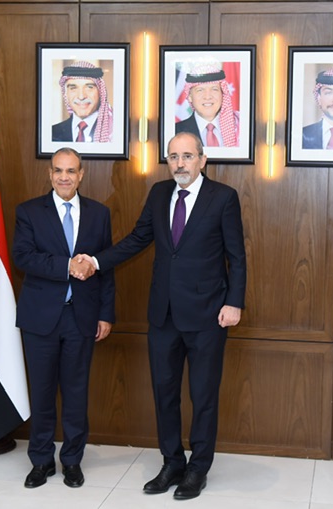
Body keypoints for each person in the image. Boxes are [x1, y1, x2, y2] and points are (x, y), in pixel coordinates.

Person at [74, 132, 246, 500]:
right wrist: (96, 261)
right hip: (163, 314)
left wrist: (234, 303)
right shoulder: (158, 193)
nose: (180, 163)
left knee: (203, 396)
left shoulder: (223, 198)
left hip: (208, 315)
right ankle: (172, 462)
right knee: (164, 393)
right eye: (173, 156)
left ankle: (198, 468)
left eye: (187, 156)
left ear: (202, 159)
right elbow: (137, 239)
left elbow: (237, 256)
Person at [12, 147, 115, 489]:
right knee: (42, 393)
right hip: (40, 318)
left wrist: (106, 314)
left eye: (71, 171)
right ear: (50, 174)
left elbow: (106, 268)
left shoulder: (99, 214)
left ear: (81, 175)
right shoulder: (29, 211)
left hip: (81, 317)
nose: (64, 177)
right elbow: (23, 257)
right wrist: (66, 266)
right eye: (58, 170)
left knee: (75, 394)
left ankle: (72, 460)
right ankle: (41, 461)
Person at [175, 61, 239, 147]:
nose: (208, 97)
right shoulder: (175, 132)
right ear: (189, 96)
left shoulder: (240, 128)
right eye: (200, 90)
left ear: (222, 93)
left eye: (214, 89)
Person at [52, 61, 113, 143]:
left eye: (89, 87)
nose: (81, 96)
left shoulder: (114, 132)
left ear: (100, 92)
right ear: (66, 94)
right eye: (73, 88)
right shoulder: (53, 133)